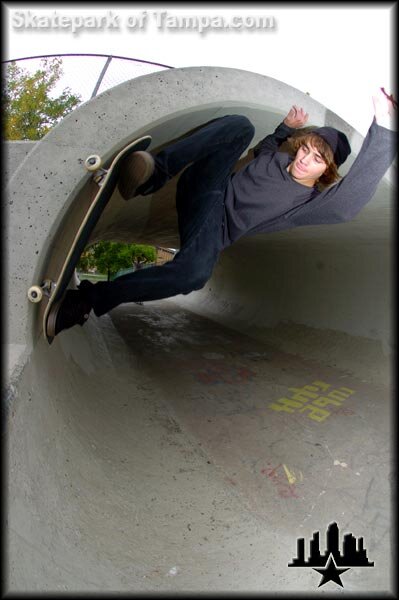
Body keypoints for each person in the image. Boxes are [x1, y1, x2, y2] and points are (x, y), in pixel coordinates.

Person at [49, 88, 397, 337]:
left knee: (194, 275)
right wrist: (287, 129)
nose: (304, 160)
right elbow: (265, 146)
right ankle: (155, 173)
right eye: (305, 149)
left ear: (327, 171)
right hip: (206, 187)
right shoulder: (278, 156)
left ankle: (84, 302)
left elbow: (348, 203)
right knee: (240, 126)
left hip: (214, 227)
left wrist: (383, 127)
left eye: (316, 160)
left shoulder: (305, 204)